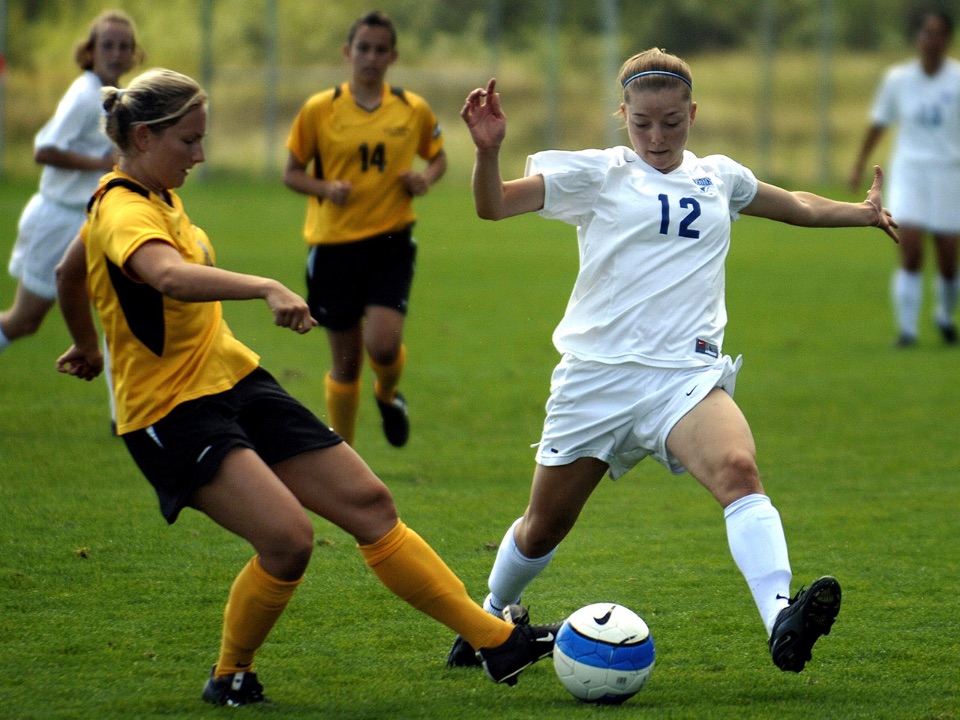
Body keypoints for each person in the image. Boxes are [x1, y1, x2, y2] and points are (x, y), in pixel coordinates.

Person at [54, 68, 556, 707]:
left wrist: (82, 341)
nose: (201, 154)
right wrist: (265, 285)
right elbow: (168, 277)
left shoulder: (146, 196)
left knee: (370, 504)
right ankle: (231, 673)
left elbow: (70, 270)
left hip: (233, 380)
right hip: (171, 410)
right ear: (146, 137)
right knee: (288, 541)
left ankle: (495, 642)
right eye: (189, 141)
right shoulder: (123, 207)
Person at [448, 49, 900, 675]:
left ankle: (781, 617)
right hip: (597, 378)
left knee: (739, 470)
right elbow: (492, 204)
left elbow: (793, 204)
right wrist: (488, 150)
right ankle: (490, 616)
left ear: (693, 114)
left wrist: (863, 213)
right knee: (543, 527)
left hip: (683, 379)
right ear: (623, 117)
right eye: (642, 123)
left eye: (671, 121)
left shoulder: (720, 177)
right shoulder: (597, 174)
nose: (656, 137)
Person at [283, 10, 447, 448]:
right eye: (363, 48)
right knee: (347, 363)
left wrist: (423, 179)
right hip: (334, 245)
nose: (371, 57)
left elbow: (438, 157)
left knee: (385, 347)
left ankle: (388, 394)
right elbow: (291, 173)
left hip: (390, 240)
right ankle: (346, 457)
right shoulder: (320, 109)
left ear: (392, 56)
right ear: (347, 52)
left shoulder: (412, 109)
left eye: (380, 50)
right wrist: (323, 187)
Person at [0, 10, 142, 355]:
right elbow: (44, 150)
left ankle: (121, 409)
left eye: (124, 46)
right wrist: (98, 163)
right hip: (59, 218)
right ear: (90, 51)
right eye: (107, 45)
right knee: (23, 321)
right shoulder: (85, 94)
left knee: (121, 317)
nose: (116, 53)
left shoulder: (115, 96)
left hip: (93, 221)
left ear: (134, 54)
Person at [848, 9, 960, 347]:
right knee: (909, 248)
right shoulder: (898, 79)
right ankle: (907, 331)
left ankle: (944, 315)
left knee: (948, 258)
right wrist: (858, 165)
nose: (931, 40)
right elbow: (878, 123)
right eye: (926, 33)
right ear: (917, 38)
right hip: (911, 171)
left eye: (938, 33)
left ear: (947, 39)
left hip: (949, 172)